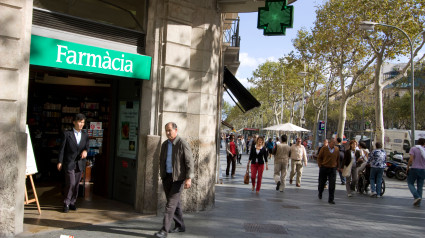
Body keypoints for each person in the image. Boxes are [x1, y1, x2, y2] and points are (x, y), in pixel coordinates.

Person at [155, 122, 194, 238]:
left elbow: (189, 162)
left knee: (170, 205)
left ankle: (164, 230)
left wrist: (188, 178)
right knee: (175, 204)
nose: (167, 133)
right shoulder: (164, 145)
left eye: (169, 130)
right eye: (166, 130)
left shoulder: (182, 143)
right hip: (166, 177)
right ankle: (180, 225)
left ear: (176, 130)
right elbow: (161, 160)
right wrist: (161, 174)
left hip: (178, 178)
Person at [57, 113, 89, 213]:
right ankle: (66, 203)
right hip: (69, 162)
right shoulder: (67, 134)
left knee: (76, 184)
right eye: (79, 122)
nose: (81, 124)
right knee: (70, 183)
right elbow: (62, 149)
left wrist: (85, 151)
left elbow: (86, 147)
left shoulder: (85, 135)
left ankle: (72, 202)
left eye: (83, 122)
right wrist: (59, 161)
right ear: (74, 122)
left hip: (80, 163)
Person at [317, 138, 340, 204]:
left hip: (333, 168)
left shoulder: (336, 149)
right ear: (329, 143)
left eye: (334, 142)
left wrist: (338, 167)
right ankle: (320, 192)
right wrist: (320, 165)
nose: (334, 144)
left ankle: (331, 199)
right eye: (333, 142)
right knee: (322, 182)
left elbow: (338, 159)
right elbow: (319, 157)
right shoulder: (324, 149)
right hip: (324, 167)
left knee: (332, 184)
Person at [407, 138, 425, 207]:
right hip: (423, 170)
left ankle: (416, 196)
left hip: (414, 168)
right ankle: (418, 203)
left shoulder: (413, 149)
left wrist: (408, 167)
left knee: (410, 183)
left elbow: (411, 159)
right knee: (420, 186)